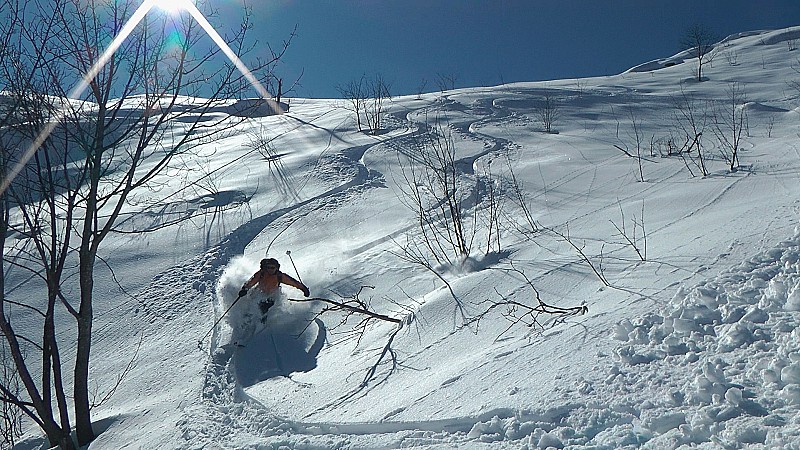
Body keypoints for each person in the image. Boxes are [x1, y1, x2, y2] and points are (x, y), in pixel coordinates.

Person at [238, 257, 310, 323]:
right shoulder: (262, 273)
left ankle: (262, 324)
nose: (270, 269)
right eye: (268, 267)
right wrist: (245, 289)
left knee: (265, 307)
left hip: (271, 295)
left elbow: (293, 282)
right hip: (259, 293)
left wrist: (303, 288)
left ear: (276, 268)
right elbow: (252, 281)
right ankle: (246, 320)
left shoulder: (280, 276)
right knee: (252, 305)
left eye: (272, 268)